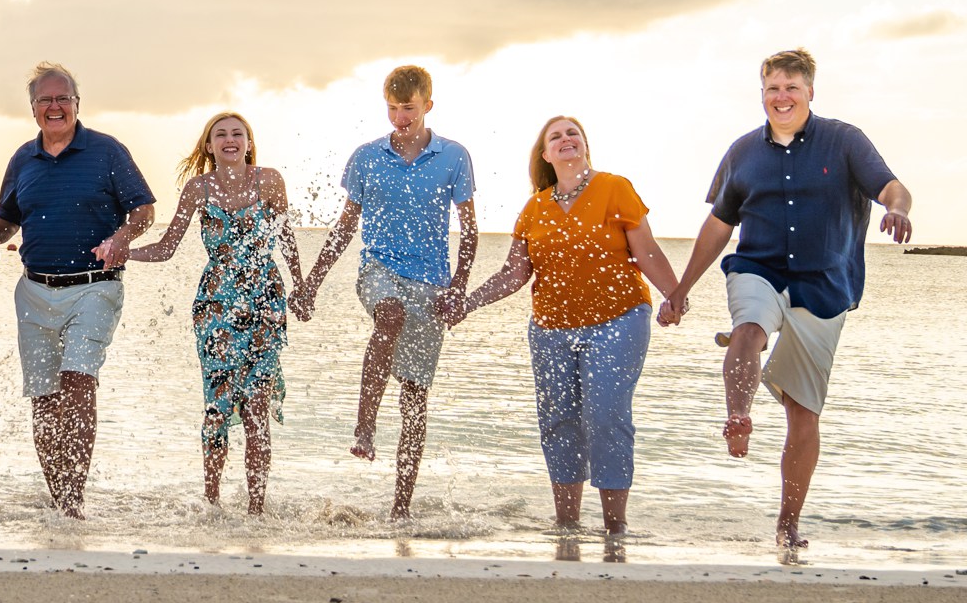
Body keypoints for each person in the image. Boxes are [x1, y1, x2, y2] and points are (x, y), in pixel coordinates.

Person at [660, 48, 912, 550]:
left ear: (810, 92)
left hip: (824, 286)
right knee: (749, 329)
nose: (782, 97)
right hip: (759, 267)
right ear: (762, 95)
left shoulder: (844, 141)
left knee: (803, 411)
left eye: (792, 88)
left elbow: (891, 186)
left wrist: (898, 210)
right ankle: (738, 416)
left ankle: (787, 523)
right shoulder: (742, 153)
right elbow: (718, 225)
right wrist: (680, 290)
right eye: (773, 88)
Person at [439, 116, 681, 536]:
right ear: (546, 156)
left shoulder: (615, 188)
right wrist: (469, 302)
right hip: (551, 329)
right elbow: (514, 274)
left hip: (618, 320)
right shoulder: (534, 208)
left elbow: (647, 251)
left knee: (607, 415)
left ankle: (615, 528)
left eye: (574, 134)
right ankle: (566, 526)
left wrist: (674, 294)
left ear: (584, 147)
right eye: (556, 137)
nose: (566, 139)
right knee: (558, 421)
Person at [0, 63, 156, 519]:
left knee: (77, 382)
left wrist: (122, 239)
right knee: (44, 396)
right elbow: (7, 216)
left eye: (63, 99)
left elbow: (144, 210)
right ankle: (60, 500)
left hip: (94, 288)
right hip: (34, 291)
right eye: (45, 100)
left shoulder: (108, 151)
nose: (54, 107)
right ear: (33, 108)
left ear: (77, 103)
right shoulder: (22, 159)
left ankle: (74, 500)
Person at [299, 64, 477, 521]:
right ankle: (364, 425)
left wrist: (458, 289)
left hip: (432, 283)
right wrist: (312, 282)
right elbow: (344, 227)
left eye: (409, 109)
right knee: (389, 314)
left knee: (415, 397)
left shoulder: (454, 157)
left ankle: (401, 508)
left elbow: (471, 233)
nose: (400, 117)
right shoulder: (366, 156)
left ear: (427, 106)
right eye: (394, 108)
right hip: (379, 270)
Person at [127, 112, 306, 514]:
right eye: (220, 134)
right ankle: (211, 502)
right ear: (209, 146)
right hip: (217, 309)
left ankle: (256, 509)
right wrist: (123, 254)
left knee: (258, 405)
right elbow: (167, 246)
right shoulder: (197, 188)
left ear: (248, 142)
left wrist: (302, 288)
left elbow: (287, 240)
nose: (229, 139)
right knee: (218, 406)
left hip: (264, 302)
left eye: (237, 134)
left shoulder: (271, 181)